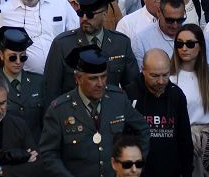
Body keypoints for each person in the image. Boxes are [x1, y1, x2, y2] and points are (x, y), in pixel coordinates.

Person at [38, 45, 150, 177]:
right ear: (78, 78)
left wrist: (133, 165)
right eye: (93, 78)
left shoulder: (117, 99)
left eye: (103, 77)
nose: (100, 84)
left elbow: (143, 129)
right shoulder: (59, 110)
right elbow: (48, 154)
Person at [43, 0, 139, 104]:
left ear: (104, 13)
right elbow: (51, 92)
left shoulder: (120, 43)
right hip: (73, 116)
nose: (84, 19)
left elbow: (133, 88)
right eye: (80, 13)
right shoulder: (63, 44)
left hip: (109, 115)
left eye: (90, 15)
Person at [0, 0, 79, 74]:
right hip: (27, 79)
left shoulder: (58, 1)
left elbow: (76, 32)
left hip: (63, 74)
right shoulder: (4, 12)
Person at [125, 49, 193, 177]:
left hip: (170, 171)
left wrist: (187, 172)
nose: (161, 81)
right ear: (143, 70)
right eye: (155, 76)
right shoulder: (129, 94)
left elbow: (185, 140)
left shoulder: (176, 95)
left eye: (165, 75)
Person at [169, 24, 209, 177]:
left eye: (190, 44)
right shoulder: (169, 77)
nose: (184, 48)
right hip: (181, 138)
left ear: (200, 46)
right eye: (179, 44)